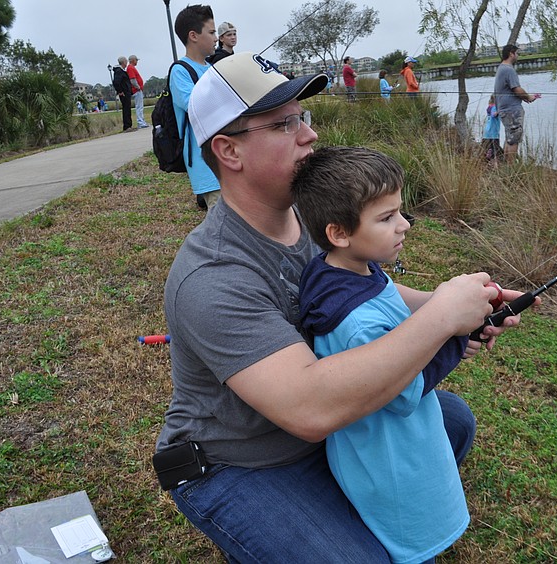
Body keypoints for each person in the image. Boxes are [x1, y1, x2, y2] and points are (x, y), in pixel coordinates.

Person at [154, 51, 528, 561]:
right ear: (228, 151)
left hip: (327, 431)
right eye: (284, 124)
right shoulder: (212, 277)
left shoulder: (308, 222)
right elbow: (310, 407)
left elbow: (370, 293)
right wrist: (441, 318)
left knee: (454, 420)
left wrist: (462, 305)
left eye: (303, 117)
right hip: (240, 460)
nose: (308, 135)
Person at [293, 145, 471, 563]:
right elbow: (405, 393)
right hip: (393, 461)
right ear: (340, 232)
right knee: (409, 545)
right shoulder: (357, 322)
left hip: (374, 449)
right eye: (387, 217)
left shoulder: (344, 269)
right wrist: (454, 333)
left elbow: (395, 308)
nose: (404, 225)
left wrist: (468, 314)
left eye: (400, 212)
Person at [171, 4, 221, 209]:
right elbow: (196, 106)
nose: (216, 37)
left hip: (223, 157)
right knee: (221, 218)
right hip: (204, 161)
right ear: (193, 35)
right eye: (211, 32)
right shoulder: (180, 71)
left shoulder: (211, 68)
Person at [493, 44, 539, 162]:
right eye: (516, 53)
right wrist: (528, 97)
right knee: (514, 138)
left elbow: (501, 91)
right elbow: (516, 89)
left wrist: (524, 98)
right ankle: (511, 168)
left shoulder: (501, 68)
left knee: (510, 138)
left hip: (505, 109)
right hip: (512, 110)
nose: (517, 56)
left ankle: (507, 167)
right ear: (511, 54)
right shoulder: (509, 69)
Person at [127, 55, 148, 129]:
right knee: (139, 106)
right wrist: (138, 87)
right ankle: (140, 122)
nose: (137, 61)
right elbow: (132, 79)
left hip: (138, 90)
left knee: (140, 106)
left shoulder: (131, 68)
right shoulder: (130, 68)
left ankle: (142, 121)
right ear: (132, 60)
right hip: (137, 90)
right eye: (136, 60)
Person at [481, 95, 503, 163]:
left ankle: (488, 156)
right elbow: (494, 115)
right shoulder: (495, 107)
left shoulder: (489, 107)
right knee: (495, 150)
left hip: (487, 132)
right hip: (493, 132)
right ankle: (494, 164)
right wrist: (500, 111)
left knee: (489, 147)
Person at [112, 56, 132, 131]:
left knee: (127, 108)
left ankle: (129, 125)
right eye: (126, 61)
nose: (126, 62)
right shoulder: (119, 71)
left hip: (126, 92)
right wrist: (120, 91)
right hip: (124, 93)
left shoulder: (121, 71)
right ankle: (127, 126)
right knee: (126, 108)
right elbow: (116, 82)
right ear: (124, 62)